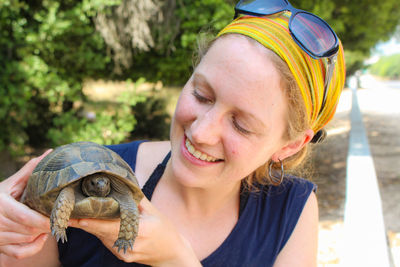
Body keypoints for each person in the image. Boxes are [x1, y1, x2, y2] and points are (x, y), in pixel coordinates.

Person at [0, 0, 346, 266]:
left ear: (289, 145)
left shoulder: (292, 209)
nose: (201, 131)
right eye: (201, 95)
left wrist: (175, 257)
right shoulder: (86, 173)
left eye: (241, 124)